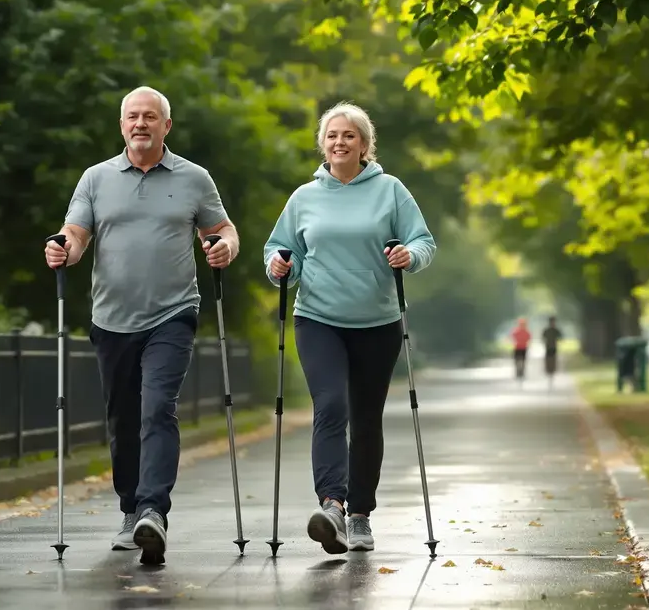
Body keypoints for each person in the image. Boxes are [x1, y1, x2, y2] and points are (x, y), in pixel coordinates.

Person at [44, 85, 240, 566]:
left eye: (150, 116)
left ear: (165, 126)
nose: (141, 123)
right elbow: (76, 232)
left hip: (173, 313)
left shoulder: (194, 178)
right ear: (122, 125)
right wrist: (62, 249)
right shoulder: (96, 178)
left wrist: (223, 249)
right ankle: (131, 510)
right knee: (123, 419)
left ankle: (153, 510)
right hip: (111, 318)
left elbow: (224, 230)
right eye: (133, 116)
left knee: (157, 408)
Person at [262, 101, 436, 555]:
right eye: (332, 135)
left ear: (364, 145)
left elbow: (423, 241)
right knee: (331, 405)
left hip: (377, 322)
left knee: (365, 417)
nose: (340, 142)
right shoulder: (304, 197)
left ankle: (360, 515)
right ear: (323, 144)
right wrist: (280, 265)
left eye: (349, 136)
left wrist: (409, 256)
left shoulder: (390, 190)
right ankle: (332, 505)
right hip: (317, 318)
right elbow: (281, 249)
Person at [541, 316, 562, 386]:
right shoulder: (547, 330)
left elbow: (560, 337)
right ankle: (548, 370)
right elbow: (543, 337)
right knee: (548, 359)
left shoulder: (555, 330)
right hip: (548, 347)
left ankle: (552, 370)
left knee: (553, 359)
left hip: (554, 347)